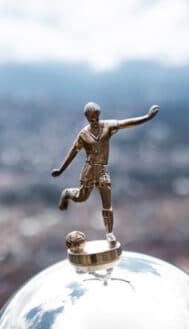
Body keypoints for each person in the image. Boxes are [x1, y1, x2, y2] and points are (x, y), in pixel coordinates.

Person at [51, 102, 159, 243]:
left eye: (95, 117)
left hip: (102, 170)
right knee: (81, 197)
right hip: (89, 170)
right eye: (91, 118)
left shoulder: (108, 126)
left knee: (107, 204)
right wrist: (61, 170)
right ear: (87, 118)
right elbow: (72, 153)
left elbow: (127, 123)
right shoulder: (83, 134)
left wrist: (147, 117)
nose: (94, 120)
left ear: (99, 115)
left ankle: (109, 233)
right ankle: (67, 194)